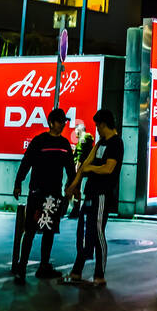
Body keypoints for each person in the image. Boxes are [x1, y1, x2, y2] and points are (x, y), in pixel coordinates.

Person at [60, 109, 123, 286]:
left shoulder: (116, 143)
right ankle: (76, 272)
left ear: (104, 124)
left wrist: (89, 170)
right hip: (90, 192)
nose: (97, 129)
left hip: (102, 194)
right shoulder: (101, 143)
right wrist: (74, 185)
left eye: (98, 125)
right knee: (83, 232)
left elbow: (108, 168)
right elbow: (86, 163)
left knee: (97, 232)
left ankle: (99, 275)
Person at [12, 108, 76, 284]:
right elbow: (26, 163)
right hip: (37, 193)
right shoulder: (39, 141)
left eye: (64, 121)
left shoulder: (64, 145)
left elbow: (71, 169)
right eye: (60, 121)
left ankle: (44, 266)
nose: (63, 124)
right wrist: (18, 183)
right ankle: (21, 268)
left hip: (53, 194)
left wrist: (72, 188)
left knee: (49, 231)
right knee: (30, 230)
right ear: (51, 123)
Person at [66, 124, 94, 219]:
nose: (75, 133)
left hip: (78, 168)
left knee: (73, 188)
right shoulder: (87, 139)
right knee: (76, 188)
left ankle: (75, 210)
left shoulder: (83, 138)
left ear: (79, 130)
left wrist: (77, 167)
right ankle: (75, 209)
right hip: (82, 168)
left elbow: (80, 155)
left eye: (76, 130)